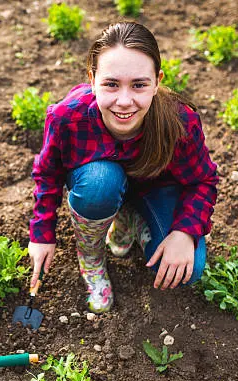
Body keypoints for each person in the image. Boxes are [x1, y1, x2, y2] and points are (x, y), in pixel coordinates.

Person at [28, 22, 219, 313]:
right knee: (100, 183)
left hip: (153, 189)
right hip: (100, 183)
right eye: (111, 84)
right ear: (93, 80)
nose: (125, 101)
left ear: (157, 82)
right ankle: (91, 258)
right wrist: (41, 234)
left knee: (188, 271)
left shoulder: (180, 122)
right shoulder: (67, 117)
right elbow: (48, 174)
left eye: (139, 84)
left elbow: (203, 181)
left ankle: (129, 218)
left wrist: (184, 233)